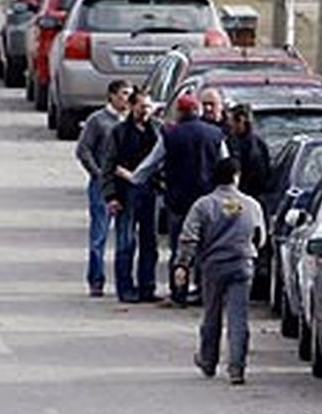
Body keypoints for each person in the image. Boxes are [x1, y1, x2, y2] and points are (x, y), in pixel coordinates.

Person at [174, 156, 265, 385]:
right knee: (238, 318)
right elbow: (261, 237)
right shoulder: (251, 205)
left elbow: (189, 236)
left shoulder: (204, 205)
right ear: (237, 176)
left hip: (214, 265)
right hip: (242, 264)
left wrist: (183, 263)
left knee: (211, 315)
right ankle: (237, 368)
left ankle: (208, 360)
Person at [131, 91, 226, 305]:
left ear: (180, 113)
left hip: (178, 201)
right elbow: (225, 164)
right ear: (197, 110)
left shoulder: (170, 135)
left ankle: (179, 291)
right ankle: (204, 291)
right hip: (208, 201)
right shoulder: (215, 135)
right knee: (206, 247)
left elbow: (151, 163)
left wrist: (135, 179)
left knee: (180, 249)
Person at [102, 87, 161, 303]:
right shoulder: (119, 133)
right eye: (142, 106)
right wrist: (111, 197)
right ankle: (125, 288)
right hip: (125, 194)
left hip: (150, 193)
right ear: (132, 106)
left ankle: (147, 287)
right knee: (126, 243)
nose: (145, 111)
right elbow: (108, 166)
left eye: (148, 107)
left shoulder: (157, 130)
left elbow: (162, 162)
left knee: (150, 243)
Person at [74, 79, 130, 296]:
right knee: (99, 234)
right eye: (124, 93)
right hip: (101, 186)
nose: (127, 98)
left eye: (129, 94)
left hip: (124, 184)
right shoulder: (98, 121)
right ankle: (96, 280)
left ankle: (124, 281)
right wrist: (98, 174)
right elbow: (83, 150)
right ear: (112, 96)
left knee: (125, 236)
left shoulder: (129, 120)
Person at [225, 104, 272, 201]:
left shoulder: (240, 145)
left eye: (231, 120)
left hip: (241, 196)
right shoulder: (259, 143)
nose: (228, 123)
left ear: (241, 120)